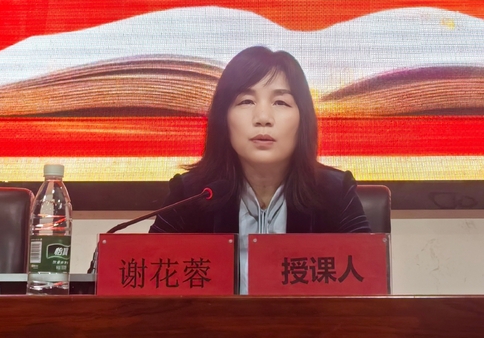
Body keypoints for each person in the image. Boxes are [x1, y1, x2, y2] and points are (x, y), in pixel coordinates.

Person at [151, 46, 370, 289]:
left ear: (303, 119)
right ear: (224, 119)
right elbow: (149, 284)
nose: (263, 118)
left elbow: (369, 286)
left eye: (280, 102)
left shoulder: (335, 194)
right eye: (246, 101)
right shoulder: (191, 195)